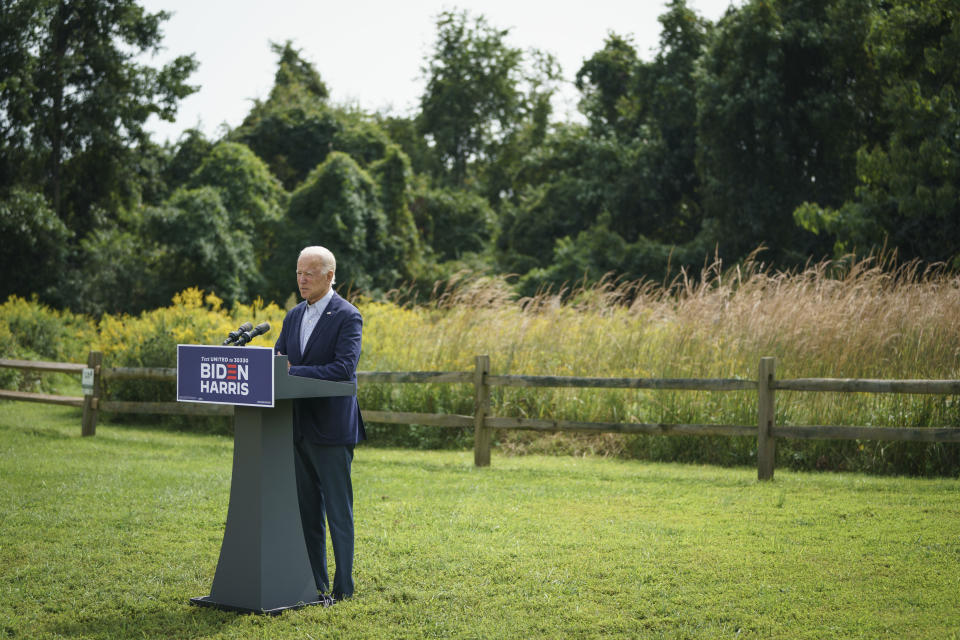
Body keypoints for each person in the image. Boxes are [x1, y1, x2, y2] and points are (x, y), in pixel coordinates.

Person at [274, 245, 365, 604]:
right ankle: (315, 585)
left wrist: (295, 371)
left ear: (330, 276)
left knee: (339, 513)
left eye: (310, 272)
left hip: (331, 430)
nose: (302, 278)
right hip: (297, 427)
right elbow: (280, 360)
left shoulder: (348, 316)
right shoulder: (293, 316)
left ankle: (344, 588)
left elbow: (344, 369)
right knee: (308, 512)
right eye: (299, 272)